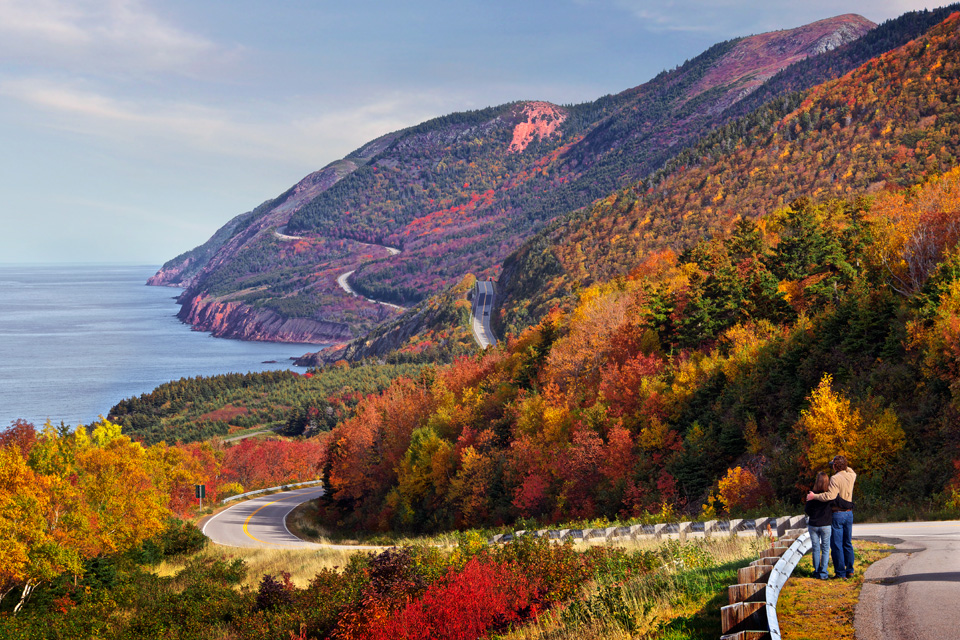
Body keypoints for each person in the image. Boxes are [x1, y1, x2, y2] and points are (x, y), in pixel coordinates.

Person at [807, 455, 857, 578]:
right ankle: (850, 570)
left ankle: (840, 573)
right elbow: (850, 470)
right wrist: (843, 464)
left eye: (833, 465)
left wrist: (815, 497)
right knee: (847, 543)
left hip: (838, 514)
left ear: (835, 466)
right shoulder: (851, 476)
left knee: (836, 545)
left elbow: (830, 496)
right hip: (849, 513)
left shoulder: (835, 478)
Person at [804, 471, 833, 579]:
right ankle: (823, 573)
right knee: (825, 549)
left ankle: (816, 571)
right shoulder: (829, 495)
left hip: (814, 524)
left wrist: (814, 515)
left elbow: (807, 509)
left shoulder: (812, 495)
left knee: (816, 548)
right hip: (826, 524)